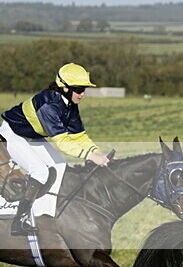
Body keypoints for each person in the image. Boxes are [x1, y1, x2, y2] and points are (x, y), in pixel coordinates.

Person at [0, 63, 110, 236]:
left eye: (84, 89)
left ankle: (48, 214)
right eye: (79, 89)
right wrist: (89, 155)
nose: (83, 93)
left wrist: (96, 152)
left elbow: (79, 136)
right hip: (12, 134)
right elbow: (63, 141)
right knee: (40, 172)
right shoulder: (49, 105)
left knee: (60, 167)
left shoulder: (69, 105)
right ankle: (18, 221)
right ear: (64, 88)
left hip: (31, 136)